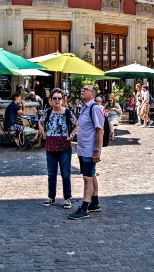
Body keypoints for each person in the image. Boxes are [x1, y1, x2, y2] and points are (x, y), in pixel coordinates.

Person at [68, 84, 105, 220]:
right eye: (82, 88)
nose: (82, 90)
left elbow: (100, 130)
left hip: (90, 150)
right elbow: (80, 125)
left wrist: (97, 151)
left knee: (87, 178)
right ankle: (95, 203)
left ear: (93, 94)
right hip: (82, 149)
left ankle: (84, 208)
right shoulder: (84, 108)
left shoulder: (94, 108)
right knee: (91, 174)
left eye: (86, 89)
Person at [39, 88, 78, 209]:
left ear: (63, 100)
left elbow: (77, 124)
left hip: (64, 146)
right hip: (51, 146)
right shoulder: (48, 112)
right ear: (50, 100)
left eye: (59, 98)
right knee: (51, 173)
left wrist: (72, 134)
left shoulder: (67, 112)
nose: (57, 100)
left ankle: (67, 198)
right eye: (54, 98)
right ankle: (51, 196)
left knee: (65, 173)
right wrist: (42, 131)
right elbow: (40, 122)